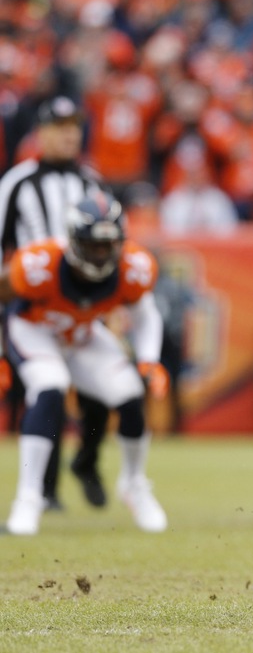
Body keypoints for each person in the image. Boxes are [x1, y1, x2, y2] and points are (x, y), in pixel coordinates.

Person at [1, 195, 169, 535]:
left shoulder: (133, 267)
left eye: (108, 245)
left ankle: (134, 484)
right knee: (50, 386)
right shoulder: (38, 264)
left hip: (81, 333)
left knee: (130, 394)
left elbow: (145, 314)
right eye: (93, 245)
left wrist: (150, 360)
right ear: (74, 241)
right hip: (35, 329)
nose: (101, 254)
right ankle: (29, 498)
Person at [0, 96, 114, 511]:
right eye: (60, 125)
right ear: (41, 132)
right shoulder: (17, 182)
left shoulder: (92, 182)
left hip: (85, 306)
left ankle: (85, 460)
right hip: (32, 308)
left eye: (75, 125)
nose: (70, 133)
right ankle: (43, 490)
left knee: (100, 390)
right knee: (38, 394)